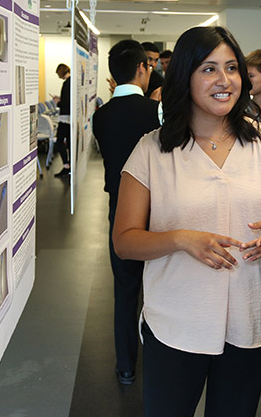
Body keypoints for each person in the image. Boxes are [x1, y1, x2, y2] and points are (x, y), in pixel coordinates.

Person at [113, 26, 261, 417]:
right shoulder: (153, 149)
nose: (224, 80)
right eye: (209, 69)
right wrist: (180, 239)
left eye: (232, 68)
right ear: (185, 76)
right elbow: (125, 241)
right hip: (178, 320)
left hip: (251, 316)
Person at [92, 40, 161, 385]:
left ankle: (125, 366)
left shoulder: (100, 116)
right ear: (142, 68)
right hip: (158, 210)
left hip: (119, 210)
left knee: (125, 289)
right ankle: (163, 356)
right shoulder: (155, 113)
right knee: (162, 284)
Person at [54, 63, 71, 177]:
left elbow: (65, 102)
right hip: (71, 117)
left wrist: (57, 102)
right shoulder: (72, 82)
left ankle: (66, 166)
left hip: (65, 117)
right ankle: (70, 165)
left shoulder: (66, 83)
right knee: (69, 142)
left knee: (59, 141)